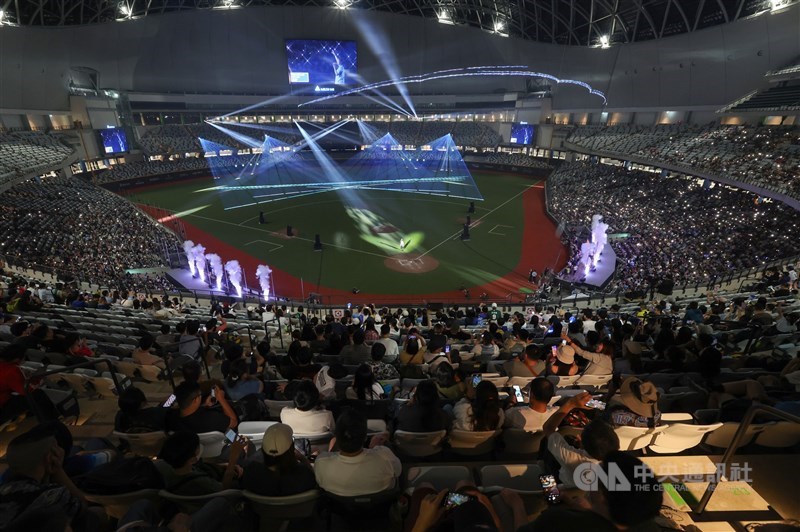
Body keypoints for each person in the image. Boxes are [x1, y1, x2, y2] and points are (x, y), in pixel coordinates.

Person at [518, 452, 662, 531]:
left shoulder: (557, 520)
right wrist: (589, 511)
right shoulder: (649, 526)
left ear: (602, 495)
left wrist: (514, 503)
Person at [0, 429, 102, 531]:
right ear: (50, 458)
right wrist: (58, 471)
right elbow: (83, 509)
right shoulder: (52, 495)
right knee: (99, 512)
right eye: (57, 447)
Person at [314, 408, 401, 496]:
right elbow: (398, 471)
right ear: (365, 438)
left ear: (336, 436)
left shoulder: (321, 462)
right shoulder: (385, 456)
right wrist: (374, 449)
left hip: (338, 509)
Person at [540, 392, 620, 488]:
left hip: (563, 489)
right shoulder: (620, 465)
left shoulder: (571, 457)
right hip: (587, 495)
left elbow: (548, 427)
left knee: (544, 471)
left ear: (583, 444)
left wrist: (571, 403)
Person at [156, 431, 244, 495]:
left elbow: (197, 467)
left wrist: (224, 466)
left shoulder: (164, 467)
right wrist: (233, 458)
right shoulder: (201, 482)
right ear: (192, 459)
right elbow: (224, 489)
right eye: (197, 446)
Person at [241, 423, 317, 496]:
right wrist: (303, 458)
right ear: (292, 449)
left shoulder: (252, 474)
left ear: (263, 451)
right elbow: (313, 480)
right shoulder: (304, 476)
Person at [169, 381, 238, 433]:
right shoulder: (212, 418)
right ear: (195, 400)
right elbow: (234, 423)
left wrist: (204, 405)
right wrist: (221, 399)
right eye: (200, 395)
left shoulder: (171, 417)